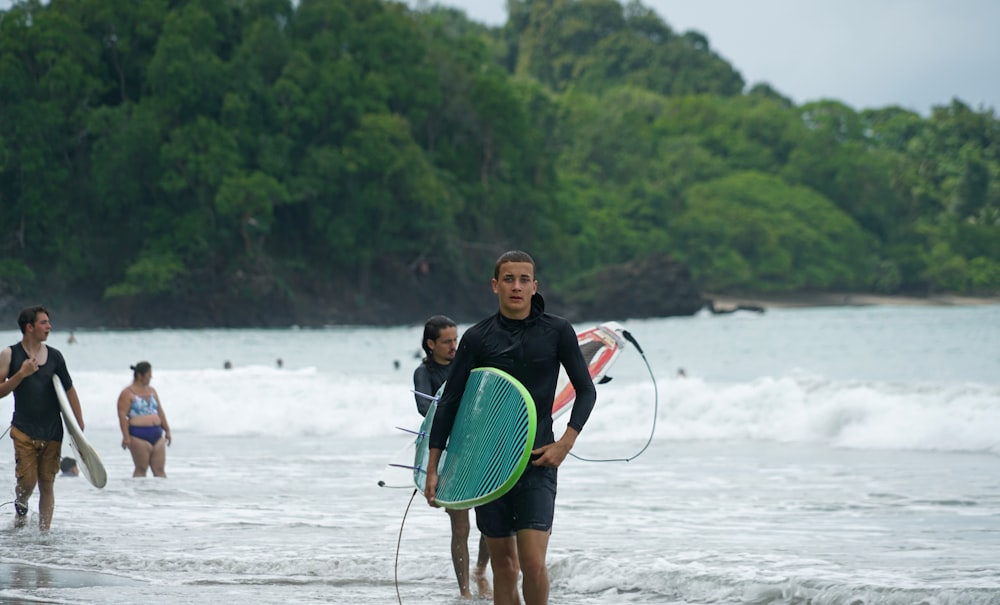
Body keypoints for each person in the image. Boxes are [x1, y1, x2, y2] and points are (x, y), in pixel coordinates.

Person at [424, 251, 597, 605]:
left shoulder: (558, 331)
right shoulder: (477, 338)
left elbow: (586, 391)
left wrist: (565, 442)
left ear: (535, 286)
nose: (516, 287)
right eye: (508, 279)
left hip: (538, 460)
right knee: (503, 565)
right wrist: (433, 465)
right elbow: (450, 403)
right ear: (495, 285)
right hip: (489, 466)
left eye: (523, 280)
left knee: (532, 563)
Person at [414, 315, 492, 599]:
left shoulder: (467, 365)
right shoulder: (424, 373)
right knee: (460, 526)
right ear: (430, 344)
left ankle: (481, 570)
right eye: (447, 342)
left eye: (456, 340)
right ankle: (465, 592)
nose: (453, 346)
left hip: (478, 449)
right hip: (448, 455)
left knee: (490, 520)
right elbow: (426, 408)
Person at [0, 305, 87, 530]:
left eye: (48, 322)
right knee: (28, 482)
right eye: (43, 322)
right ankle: (22, 506)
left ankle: (44, 534)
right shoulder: (10, 354)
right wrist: (21, 374)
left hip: (52, 430)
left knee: (47, 483)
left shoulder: (55, 356)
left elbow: (69, 389)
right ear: (29, 327)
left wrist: (78, 423)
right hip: (23, 428)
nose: (49, 327)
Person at [116, 361, 172, 478]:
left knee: (160, 470)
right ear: (140, 375)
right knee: (141, 468)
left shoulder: (152, 391)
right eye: (149, 375)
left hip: (157, 434)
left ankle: (162, 495)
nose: (151, 377)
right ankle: (137, 495)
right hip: (138, 435)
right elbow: (122, 416)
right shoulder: (127, 393)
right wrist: (126, 437)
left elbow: (160, 412)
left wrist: (167, 430)